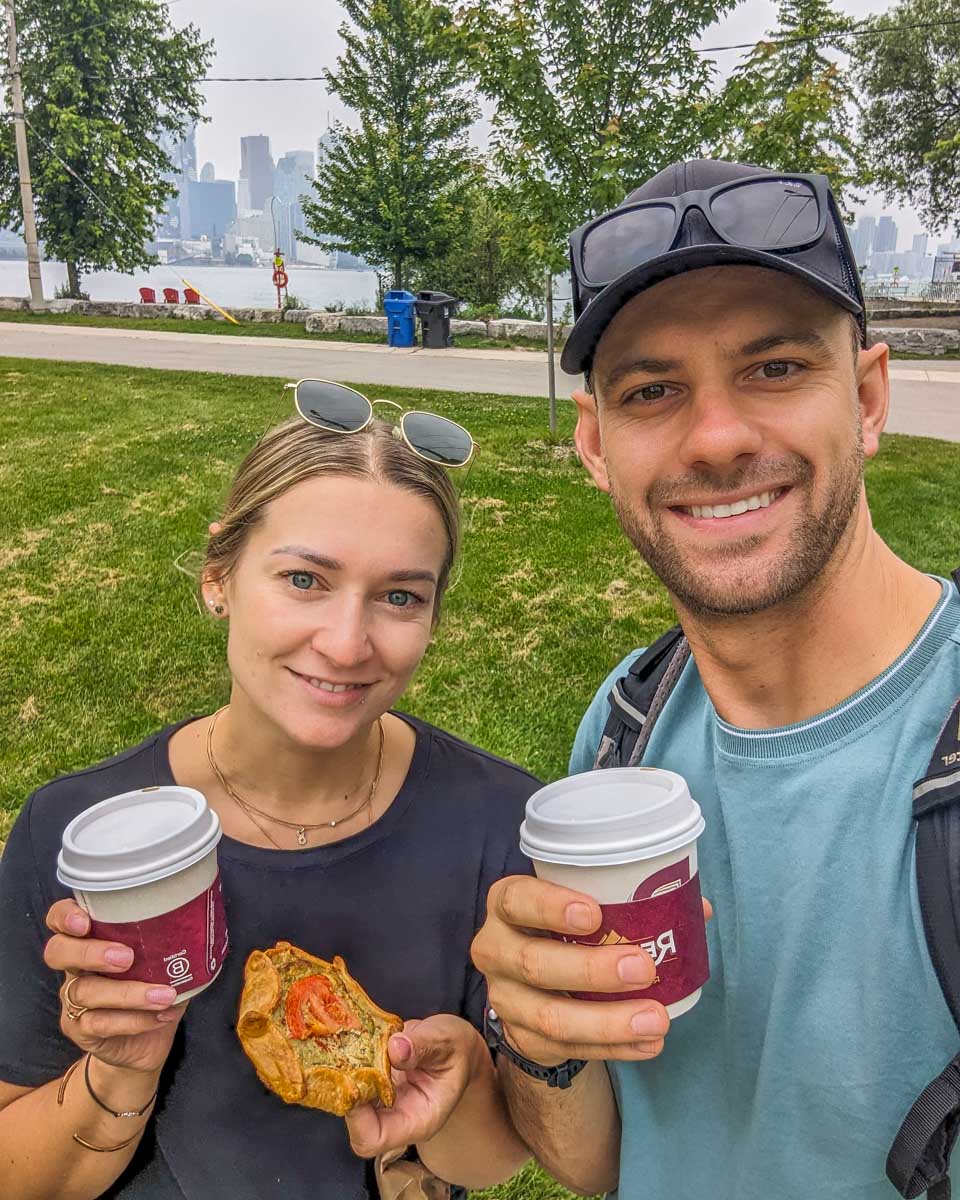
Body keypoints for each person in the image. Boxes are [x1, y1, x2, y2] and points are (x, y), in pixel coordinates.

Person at [471, 160, 960, 1198]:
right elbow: (600, 1164)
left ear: (868, 399)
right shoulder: (626, 732)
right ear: (597, 448)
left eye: (775, 368)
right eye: (654, 390)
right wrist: (540, 1035)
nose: (719, 437)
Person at [0, 380, 533, 1200]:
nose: (347, 641)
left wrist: (451, 1092)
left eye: (399, 596)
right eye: (304, 580)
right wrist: (118, 1075)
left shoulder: (495, 824)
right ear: (219, 575)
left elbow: (493, 1160)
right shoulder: (79, 834)